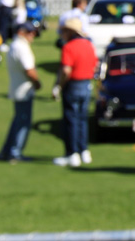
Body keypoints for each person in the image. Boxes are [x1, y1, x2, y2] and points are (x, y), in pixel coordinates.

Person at [53, 18, 97, 167]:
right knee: (82, 119)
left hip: (73, 85)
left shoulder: (69, 47)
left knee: (71, 120)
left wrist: (59, 85)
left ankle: (72, 153)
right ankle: (83, 150)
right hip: (86, 85)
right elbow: (94, 65)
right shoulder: (89, 44)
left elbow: (66, 70)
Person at [0, 22, 42, 163]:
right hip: (23, 90)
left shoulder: (15, 45)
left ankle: (7, 150)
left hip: (18, 88)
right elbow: (29, 70)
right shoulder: (21, 47)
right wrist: (37, 83)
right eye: (30, 32)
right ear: (21, 32)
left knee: (18, 120)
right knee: (23, 122)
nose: (32, 35)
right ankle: (15, 152)